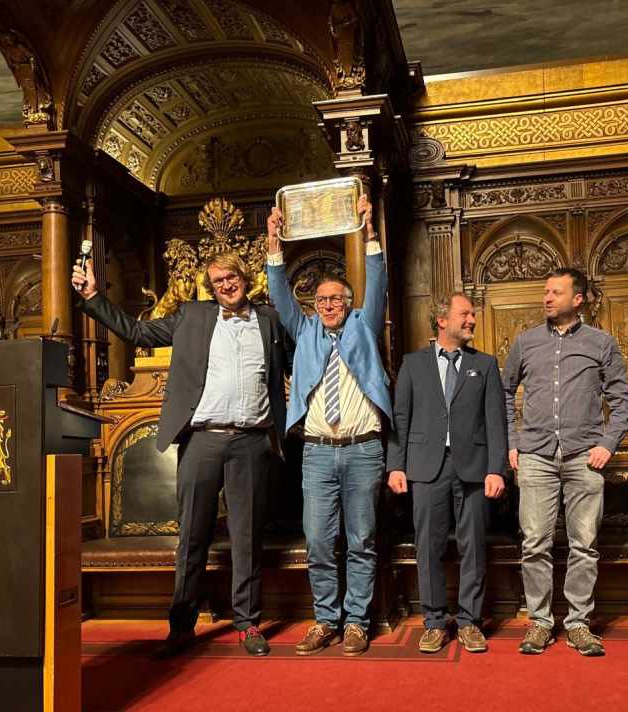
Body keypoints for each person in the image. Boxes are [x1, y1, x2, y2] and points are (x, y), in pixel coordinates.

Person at [71, 250, 290, 658]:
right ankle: (182, 627)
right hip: (202, 439)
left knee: (247, 538)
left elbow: (296, 364)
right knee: (192, 537)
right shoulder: (192, 316)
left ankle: (248, 624)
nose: (227, 284)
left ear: (246, 279)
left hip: (252, 442)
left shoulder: (270, 321)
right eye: (218, 280)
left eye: (232, 277)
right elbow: (138, 333)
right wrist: (94, 297)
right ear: (210, 287)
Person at [265, 194, 390, 656]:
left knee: (361, 539)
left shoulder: (363, 325)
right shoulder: (305, 332)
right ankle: (325, 619)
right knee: (319, 541)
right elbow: (279, 294)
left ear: (348, 302)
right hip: (317, 451)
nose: (329, 305)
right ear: (313, 306)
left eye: (336, 298)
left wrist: (369, 233)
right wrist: (274, 243)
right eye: (321, 300)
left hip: (363, 450)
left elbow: (377, 283)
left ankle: (357, 622)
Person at [503, 267, 628, 657]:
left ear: (578, 299)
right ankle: (541, 622)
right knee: (535, 543)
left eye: (555, 292)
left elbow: (623, 403)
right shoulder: (525, 343)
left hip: (584, 457)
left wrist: (607, 444)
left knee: (584, 544)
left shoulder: (601, 343)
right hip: (536, 456)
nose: (546, 298)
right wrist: (513, 443)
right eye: (545, 292)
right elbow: (504, 394)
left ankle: (578, 623)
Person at [387, 292, 507, 653]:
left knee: (473, 548)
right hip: (425, 468)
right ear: (442, 320)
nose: (471, 319)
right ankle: (435, 622)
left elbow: (496, 422)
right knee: (429, 548)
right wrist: (396, 465)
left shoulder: (485, 364)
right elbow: (401, 419)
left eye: (472, 314)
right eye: (465, 314)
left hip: (473, 468)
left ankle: (470, 622)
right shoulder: (413, 363)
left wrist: (496, 469)